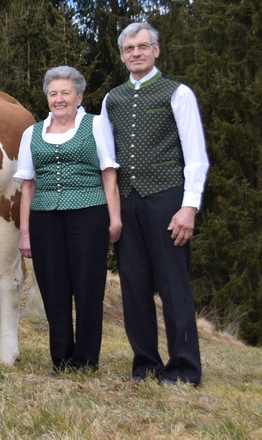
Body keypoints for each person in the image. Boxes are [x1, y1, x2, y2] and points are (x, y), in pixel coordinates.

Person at [102, 22, 209, 386]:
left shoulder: (178, 93)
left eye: (143, 46)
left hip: (167, 200)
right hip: (127, 202)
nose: (136, 53)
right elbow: (107, 158)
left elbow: (196, 156)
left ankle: (184, 370)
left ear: (156, 50)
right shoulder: (111, 99)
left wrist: (189, 206)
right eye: (129, 48)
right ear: (121, 55)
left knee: (174, 285)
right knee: (134, 286)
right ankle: (146, 365)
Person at [15, 66, 121, 373]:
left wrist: (114, 219)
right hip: (44, 217)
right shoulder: (32, 133)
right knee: (53, 288)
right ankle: (61, 359)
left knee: (88, 286)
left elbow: (109, 174)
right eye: (53, 94)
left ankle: (86, 360)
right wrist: (25, 232)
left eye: (65, 93)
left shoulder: (96, 124)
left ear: (79, 97)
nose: (59, 99)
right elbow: (28, 185)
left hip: (89, 213)